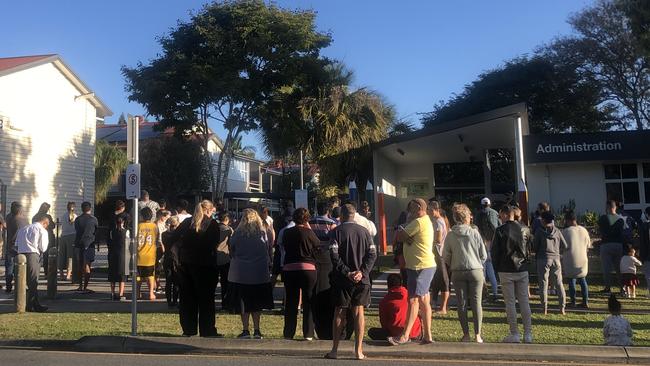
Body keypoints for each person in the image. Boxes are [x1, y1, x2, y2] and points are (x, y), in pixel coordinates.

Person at [326, 204, 377, 360]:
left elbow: (334, 256)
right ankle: (358, 350)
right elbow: (372, 254)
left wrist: (347, 272)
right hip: (362, 279)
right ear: (354, 215)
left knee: (339, 312)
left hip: (342, 279)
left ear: (341, 216)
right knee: (359, 312)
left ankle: (335, 350)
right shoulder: (365, 232)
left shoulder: (336, 232)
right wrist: (362, 272)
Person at [388, 199, 434, 346]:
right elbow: (408, 240)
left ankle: (405, 335)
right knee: (424, 300)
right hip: (422, 265)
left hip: (419, 266)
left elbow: (400, 237)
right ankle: (427, 335)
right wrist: (407, 235)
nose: (410, 211)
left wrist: (405, 229)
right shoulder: (425, 221)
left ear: (419, 207)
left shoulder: (419, 221)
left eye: (411, 208)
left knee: (413, 300)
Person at [175, 200, 222, 337]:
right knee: (206, 300)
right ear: (208, 210)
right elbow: (214, 243)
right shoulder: (212, 224)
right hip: (205, 265)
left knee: (187, 299)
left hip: (186, 265)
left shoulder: (187, 223)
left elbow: (174, 238)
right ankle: (207, 329)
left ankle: (189, 329)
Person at [443, 203, 487, 343]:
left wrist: (454, 263)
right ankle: (478, 334)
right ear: (467, 217)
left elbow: (446, 256)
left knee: (461, 303)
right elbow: (483, 255)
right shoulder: (474, 232)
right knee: (476, 302)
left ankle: (466, 334)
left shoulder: (450, 235)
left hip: (458, 271)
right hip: (475, 270)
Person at [229, 208, 274, 339]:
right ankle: (257, 329)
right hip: (259, 272)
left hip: (241, 273)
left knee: (243, 303)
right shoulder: (262, 232)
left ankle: (245, 329)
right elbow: (268, 247)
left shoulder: (238, 233)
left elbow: (232, 248)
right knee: (256, 303)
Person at [491, 205, 532, 344]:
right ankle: (528, 333)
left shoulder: (500, 230)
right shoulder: (525, 229)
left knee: (510, 303)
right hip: (522, 268)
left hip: (505, 269)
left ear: (504, 214)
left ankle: (514, 333)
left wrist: (496, 269)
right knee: (524, 301)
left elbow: (495, 252)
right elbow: (529, 249)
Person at [281, 208, 320, 340]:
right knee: (309, 301)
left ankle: (289, 332)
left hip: (289, 268)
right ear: (307, 219)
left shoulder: (287, 233)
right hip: (307, 268)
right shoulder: (309, 233)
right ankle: (308, 333)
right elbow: (318, 246)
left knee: (291, 301)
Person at [368, 273, 422, 341]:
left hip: (396, 333)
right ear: (401, 283)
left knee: (371, 332)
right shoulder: (411, 296)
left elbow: (384, 323)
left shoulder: (385, 301)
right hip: (415, 332)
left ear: (388, 285)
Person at [533, 211, 567, 315]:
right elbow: (565, 245)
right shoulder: (557, 231)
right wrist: (557, 252)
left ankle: (544, 309)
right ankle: (562, 308)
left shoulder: (539, 231)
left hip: (543, 259)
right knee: (559, 283)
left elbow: (535, 246)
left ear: (543, 220)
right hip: (556, 259)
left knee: (543, 284)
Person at [16, 213, 50, 312]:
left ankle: (29, 303)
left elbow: (16, 244)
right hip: (33, 254)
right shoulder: (41, 230)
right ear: (45, 223)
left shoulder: (23, 229)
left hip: (21, 255)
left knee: (23, 281)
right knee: (33, 281)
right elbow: (43, 247)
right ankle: (32, 304)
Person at [561, 210, 591, 308]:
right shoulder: (584, 230)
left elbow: (562, 246)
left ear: (568, 220)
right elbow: (588, 245)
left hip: (571, 259)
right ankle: (585, 301)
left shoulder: (565, 232)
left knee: (571, 280)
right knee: (583, 280)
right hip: (583, 259)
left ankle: (573, 301)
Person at [474, 197, 499, 301]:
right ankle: (495, 293)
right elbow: (497, 227)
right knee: (492, 271)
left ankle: (484, 294)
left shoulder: (479, 214)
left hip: (482, 244)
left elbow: (477, 228)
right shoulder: (495, 213)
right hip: (492, 245)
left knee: (482, 272)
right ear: (489, 204)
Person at [598, 200, 625, 295]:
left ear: (608, 207)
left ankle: (608, 288)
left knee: (606, 268)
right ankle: (623, 288)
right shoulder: (621, 219)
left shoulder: (603, 218)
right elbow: (623, 232)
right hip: (618, 245)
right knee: (619, 268)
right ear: (615, 207)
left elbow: (601, 230)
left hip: (606, 244)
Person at [428, 200, 450, 314]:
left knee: (444, 279)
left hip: (439, 253)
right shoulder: (435, 220)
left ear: (437, 210)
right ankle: (433, 303)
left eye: (431, 210)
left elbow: (438, 239)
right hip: (437, 253)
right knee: (436, 279)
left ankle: (443, 308)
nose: (429, 212)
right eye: (428, 209)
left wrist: (428, 240)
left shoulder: (439, 221)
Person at [74, 202, 98, 293]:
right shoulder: (93, 219)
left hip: (79, 243)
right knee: (87, 265)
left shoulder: (78, 219)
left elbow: (76, 229)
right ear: (90, 209)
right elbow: (96, 230)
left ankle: (80, 285)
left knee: (80, 265)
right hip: (89, 243)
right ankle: (85, 286)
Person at [5, 202, 28, 293]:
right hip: (19, 246)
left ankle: (8, 286)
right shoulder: (20, 220)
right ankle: (19, 286)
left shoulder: (8, 217)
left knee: (9, 267)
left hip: (10, 245)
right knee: (19, 267)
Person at [137, 207, 158, 301]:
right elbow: (157, 239)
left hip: (139, 255)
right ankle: (151, 293)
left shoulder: (139, 226)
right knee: (150, 276)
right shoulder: (154, 226)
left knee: (138, 276)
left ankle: (137, 293)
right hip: (150, 255)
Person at [108, 213, 129, 301]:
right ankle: (121, 294)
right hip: (123, 254)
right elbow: (128, 244)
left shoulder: (112, 231)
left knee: (113, 274)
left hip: (113, 254)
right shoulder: (126, 232)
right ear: (123, 222)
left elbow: (109, 242)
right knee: (122, 276)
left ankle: (112, 293)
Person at [215, 212, 233, 311]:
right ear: (227, 219)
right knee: (225, 283)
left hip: (214, 258)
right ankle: (225, 303)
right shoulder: (229, 230)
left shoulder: (214, 228)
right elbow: (231, 244)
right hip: (225, 258)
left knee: (212, 282)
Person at [162, 216, 180, 307]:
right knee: (176, 281)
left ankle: (169, 301)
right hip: (176, 259)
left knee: (168, 281)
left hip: (167, 258)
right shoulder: (178, 235)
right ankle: (175, 301)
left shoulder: (164, 235)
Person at [32, 202, 55, 275]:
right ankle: (46, 272)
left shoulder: (35, 216)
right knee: (47, 255)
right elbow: (53, 226)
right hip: (48, 237)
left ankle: (36, 271)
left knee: (38, 254)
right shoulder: (47, 217)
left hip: (37, 237)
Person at [58, 202, 77, 281]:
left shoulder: (63, 216)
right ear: (74, 208)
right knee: (70, 256)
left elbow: (62, 224)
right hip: (72, 236)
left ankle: (61, 273)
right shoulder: (75, 216)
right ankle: (68, 274)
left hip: (63, 236)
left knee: (62, 254)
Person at [154, 209, 170, 294]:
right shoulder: (157, 224)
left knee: (160, 267)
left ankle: (157, 285)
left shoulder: (164, 224)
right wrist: (163, 247)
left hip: (164, 246)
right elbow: (160, 238)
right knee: (158, 267)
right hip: (159, 247)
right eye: (166, 217)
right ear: (162, 216)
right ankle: (157, 285)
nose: (168, 219)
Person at [640, 207, 650, 296]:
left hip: (647, 256)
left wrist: (642, 257)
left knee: (648, 276)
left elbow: (643, 243)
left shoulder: (644, 226)